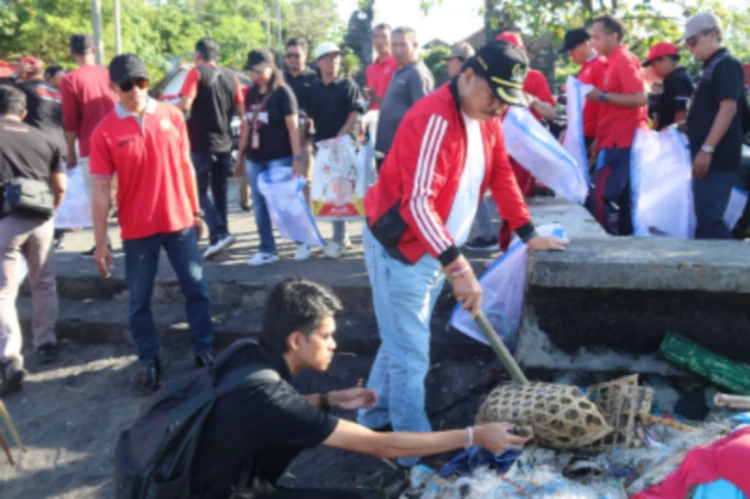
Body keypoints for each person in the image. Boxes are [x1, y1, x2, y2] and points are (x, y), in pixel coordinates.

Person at [357, 41, 567, 467]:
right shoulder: (434, 117)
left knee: (400, 337)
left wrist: (527, 232)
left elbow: (501, 173)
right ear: (468, 76)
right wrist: (458, 267)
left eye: (506, 101)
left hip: (436, 248)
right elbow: (418, 203)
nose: (498, 109)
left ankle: (373, 413)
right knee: (411, 352)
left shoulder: (485, 116)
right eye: (494, 96)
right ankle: (411, 453)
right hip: (403, 247)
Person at [191, 277, 532, 498]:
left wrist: (329, 399)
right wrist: (476, 436)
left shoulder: (246, 353)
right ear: (296, 340)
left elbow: (263, 411)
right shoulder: (273, 397)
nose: (334, 345)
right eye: (326, 336)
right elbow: (381, 446)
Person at [89, 54, 215, 393]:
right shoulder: (104, 132)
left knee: (197, 289)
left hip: (179, 222)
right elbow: (100, 189)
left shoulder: (172, 116)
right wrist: (100, 241)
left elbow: (187, 167)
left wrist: (197, 211)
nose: (135, 91)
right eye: (126, 85)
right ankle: (149, 358)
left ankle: (204, 351)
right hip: (137, 228)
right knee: (139, 300)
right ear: (113, 87)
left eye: (141, 82)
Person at [0, 85, 67, 393]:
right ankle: (46, 342)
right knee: (44, 281)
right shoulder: (43, 138)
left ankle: (10, 356)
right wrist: (49, 212)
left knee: (3, 292)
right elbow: (61, 186)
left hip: (6, 220)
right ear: (23, 112)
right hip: (42, 218)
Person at [468, 31, 557, 253]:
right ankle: (506, 249)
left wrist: (533, 101)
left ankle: (510, 250)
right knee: (499, 202)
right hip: (496, 146)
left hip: (524, 153)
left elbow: (552, 113)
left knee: (516, 201)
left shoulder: (534, 78)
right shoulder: (488, 76)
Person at [234, 49, 303, 266]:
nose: (255, 75)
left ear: (271, 68)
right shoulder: (250, 94)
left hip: (279, 155)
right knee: (259, 204)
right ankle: (267, 249)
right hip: (256, 157)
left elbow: (293, 128)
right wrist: (239, 157)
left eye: (259, 71)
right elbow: (246, 126)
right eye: (252, 71)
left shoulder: (283, 93)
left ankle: (302, 240)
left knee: (284, 201)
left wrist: (297, 157)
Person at [178, 37, 245, 260]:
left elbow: (185, 104)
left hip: (201, 143)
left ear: (198, 56)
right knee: (220, 192)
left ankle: (218, 231)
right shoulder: (231, 77)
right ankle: (221, 237)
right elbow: (239, 110)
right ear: (216, 56)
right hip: (225, 143)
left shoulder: (195, 73)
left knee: (197, 192)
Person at [683, 14, 746, 239]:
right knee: (704, 219)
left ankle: (737, 271)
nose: (689, 47)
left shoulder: (726, 64)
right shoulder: (711, 65)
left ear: (712, 35)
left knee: (710, 221)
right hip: (707, 156)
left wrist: (707, 149)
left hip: (717, 158)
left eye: (693, 40)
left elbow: (728, 108)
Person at [586, 15, 648, 236]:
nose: (593, 42)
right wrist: (599, 140)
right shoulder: (611, 60)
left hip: (622, 142)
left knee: (602, 196)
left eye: (597, 37)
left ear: (613, 37)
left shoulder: (622, 59)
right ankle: (621, 245)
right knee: (619, 200)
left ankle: (608, 246)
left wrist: (601, 95)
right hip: (613, 141)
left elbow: (640, 98)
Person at [60, 34, 118, 255]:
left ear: (73, 53)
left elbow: (71, 120)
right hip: (119, 142)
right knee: (126, 192)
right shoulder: (110, 74)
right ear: (94, 50)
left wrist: (70, 152)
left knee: (97, 196)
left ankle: (103, 242)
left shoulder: (70, 80)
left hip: (91, 146)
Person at [307, 42, 365, 259]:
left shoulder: (348, 84)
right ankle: (342, 235)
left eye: (336, 57)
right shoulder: (314, 88)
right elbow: (311, 115)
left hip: (343, 146)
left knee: (340, 191)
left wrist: (341, 136)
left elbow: (354, 113)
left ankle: (339, 240)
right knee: (329, 189)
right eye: (329, 57)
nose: (334, 61)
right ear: (318, 62)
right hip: (322, 146)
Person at [374, 27, 434, 164]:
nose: (397, 50)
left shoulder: (417, 73)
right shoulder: (399, 71)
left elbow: (423, 116)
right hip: (390, 149)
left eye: (402, 45)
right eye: (394, 45)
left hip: (405, 152)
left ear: (415, 45)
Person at [284, 37, 318, 213]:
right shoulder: (280, 79)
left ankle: (310, 222)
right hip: (282, 137)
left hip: (306, 136)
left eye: (296, 56)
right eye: (289, 56)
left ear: (305, 55)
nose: (292, 60)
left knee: (305, 180)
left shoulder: (315, 78)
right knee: (286, 183)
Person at [559, 28, 607, 152]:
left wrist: (600, 136)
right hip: (580, 133)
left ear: (585, 44)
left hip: (592, 135)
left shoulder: (601, 64)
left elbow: (606, 102)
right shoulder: (585, 68)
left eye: (572, 50)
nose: (570, 55)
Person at [643, 42, 694, 131]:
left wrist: (669, 137)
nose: (653, 69)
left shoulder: (678, 79)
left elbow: (681, 116)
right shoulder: (673, 78)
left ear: (665, 60)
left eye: (654, 65)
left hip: (673, 140)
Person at [364, 23, 398, 112]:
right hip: (373, 120)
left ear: (392, 40)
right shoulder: (370, 69)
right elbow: (370, 99)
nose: (380, 41)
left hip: (393, 119)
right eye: (376, 37)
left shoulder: (398, 64)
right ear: (372, 41)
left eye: (384, 36)